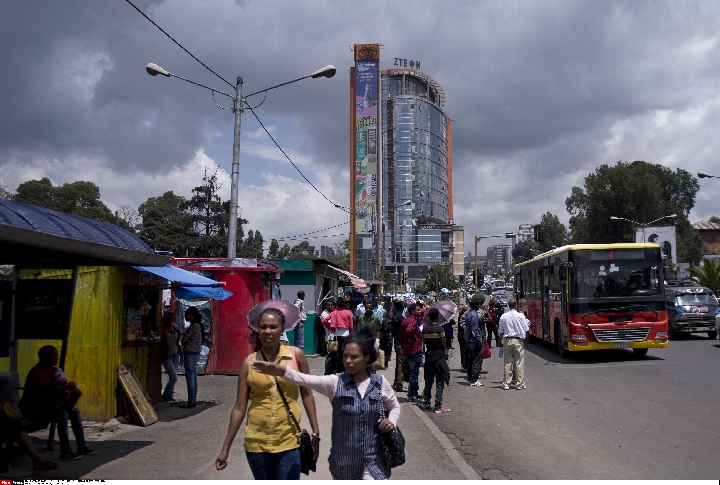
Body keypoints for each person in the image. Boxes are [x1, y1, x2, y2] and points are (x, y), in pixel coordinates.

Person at [252, 324, 400, 480]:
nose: (347, 361)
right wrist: (282, 371)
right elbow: (305, 379)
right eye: (345, 356)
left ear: (367, 357)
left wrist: (392, 421)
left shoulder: (380, 383)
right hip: (344, 465)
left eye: (354, 357)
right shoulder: (335, 383)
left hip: (374, 462)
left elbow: (394, 406)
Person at [215, 308, 320, 480]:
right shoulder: (249, 362)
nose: (268, 331)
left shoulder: (296, 356)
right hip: (256, 442)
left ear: (282, 329)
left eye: (273, 327)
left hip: (289, 440)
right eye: (263, 327)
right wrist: (225, 449)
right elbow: (240, 407)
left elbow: (307, 394)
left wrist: (316, 431)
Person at [18, 345, 95, 461]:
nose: (56, 359)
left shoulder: (54, 371)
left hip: (49, 406)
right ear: (44, 358)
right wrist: (60, 388)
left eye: (57, 357)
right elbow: (44, 390)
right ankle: (65, 451)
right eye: (53, 357)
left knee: (74, 412)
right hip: (33, 407)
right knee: (62, 415)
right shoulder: (37, 372)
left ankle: (81, 446)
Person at [420, 308, 451, 413]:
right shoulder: (440, 330)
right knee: (439, 381)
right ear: (437, 317)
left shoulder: (425, 329)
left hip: (429, 357)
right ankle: (438, 406)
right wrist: (445, 350)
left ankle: (426, 403)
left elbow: (424, 342)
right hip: (439, 357)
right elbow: (443, 344)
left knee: (428, 381)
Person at [498, 299, 531, 390]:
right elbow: (526, 328)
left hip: (507, 340)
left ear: (508, 306)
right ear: (516, 305)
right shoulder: (521, 316)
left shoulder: (504, 316)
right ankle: (519, 383)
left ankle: (506, 383)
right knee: (519, 362)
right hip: (518, 341)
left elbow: (500, 330)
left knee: (508, 362)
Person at [322, 298, 354, 374]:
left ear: (337, 305)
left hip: (335, 335)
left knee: (333, 355)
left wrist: (330, 327)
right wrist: (350, 333)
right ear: (345, 305)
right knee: (345, 354)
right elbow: (351, 326)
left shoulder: (334, 313)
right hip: (345, 335)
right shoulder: (348, 313)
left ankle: (332, 372)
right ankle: (346, 371)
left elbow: (324, 321)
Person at [181, 306, 204, 408]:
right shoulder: (199, 325)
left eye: (188, 314)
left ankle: (191, 401)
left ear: (193, 315)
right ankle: (193, 400)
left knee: (190, 378)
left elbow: (184, 339)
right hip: (196, 353)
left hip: (190, 353)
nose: (186, 316)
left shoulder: (194, 326)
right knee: (193, 377)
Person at [400, 303, 423, 402]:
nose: (420, 311)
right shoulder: (413, 321)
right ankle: (411, 395)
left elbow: (401, 335)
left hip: (408, 350)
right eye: (418, 310)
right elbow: (409, 331)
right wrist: (413, 338)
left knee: (413, 372)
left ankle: (414, 392)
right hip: (415, 350)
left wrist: (405, 342)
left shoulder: (405, 320)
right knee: (414, 373)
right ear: (412, 311)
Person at [160, 310, 183, 402]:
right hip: (167, 356)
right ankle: (165, 395)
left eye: (171, 316)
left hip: (175, 355)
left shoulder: (175, 328)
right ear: (164, 317)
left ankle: (170, 395)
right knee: (174, 377)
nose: (170, 318)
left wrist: (181, 355)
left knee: (172, 377)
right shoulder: (162, 329)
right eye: (168, 316)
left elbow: (178, 343)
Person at [465, 299, 486, 387]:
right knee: (475, 360)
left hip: (470, 340)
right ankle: (474, 379)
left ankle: (470, 378)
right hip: (474, 341)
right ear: (477, 306)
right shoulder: (474, 316)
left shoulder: (469, 314)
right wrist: (479, 339)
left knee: (471, 360)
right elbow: (475, 330)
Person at [390, 300, 406, 391]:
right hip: (400, 342)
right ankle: (399, 384)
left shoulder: (394, 317)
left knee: (398, 363)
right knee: (401, 363)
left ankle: (396, 382)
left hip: (396, 341)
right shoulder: (401, 318)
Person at [319, 300, 337, 375]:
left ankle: (332, 372)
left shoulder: (332, 312)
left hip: (334, 336)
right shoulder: (324, 314)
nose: (330, 306)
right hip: (329, 337)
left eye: (331, 305)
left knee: (334, 357)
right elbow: (331, 326)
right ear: (325, 306)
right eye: (328, 305)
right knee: (329, 357)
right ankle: (327, 373)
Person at [457, 305, 468, 373]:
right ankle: (464, 366)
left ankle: (464, 365)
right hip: (464, 336)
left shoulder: (459, 318)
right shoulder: (463, 319)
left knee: (462, 350)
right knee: (465, 351)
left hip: (460, 336)